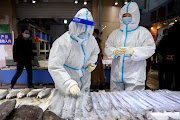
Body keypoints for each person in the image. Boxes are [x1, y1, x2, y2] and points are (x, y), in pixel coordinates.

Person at [105, 2, 155, 91]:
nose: (126, 18)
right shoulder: (115, 33)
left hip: (135, 75)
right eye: (124, 16)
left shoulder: (143, 32)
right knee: (116, 100)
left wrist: (133, 51)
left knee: (134, 101)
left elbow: (150, 48)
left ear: (135, 16)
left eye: (129, 15)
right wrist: (114, 51)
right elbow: (108, 46)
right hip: (117, 75)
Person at [48, 8, 100, 96]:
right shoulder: (63, 42)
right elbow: (54, 66)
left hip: (85, 81)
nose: (84, 30)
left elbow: (95, 52)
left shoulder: (91, 40)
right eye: (81, 26)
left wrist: (91, 62)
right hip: (67, 84)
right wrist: (69, 84)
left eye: (87, 27)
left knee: (84, 106)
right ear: (74, 25)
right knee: (66, 107)